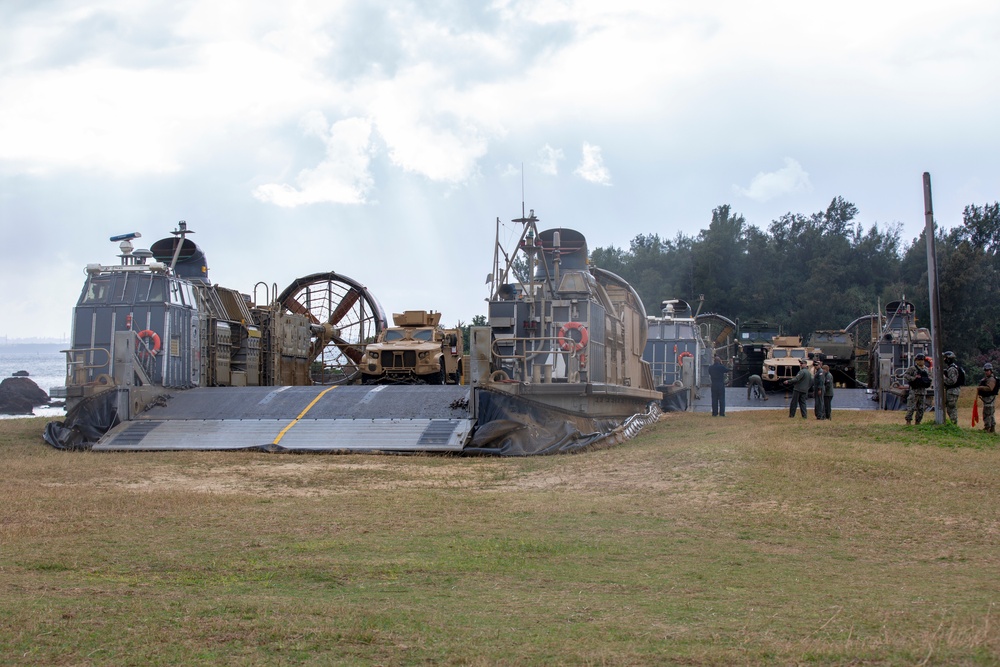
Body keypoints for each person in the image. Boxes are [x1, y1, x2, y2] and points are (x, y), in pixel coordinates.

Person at [903, 353, 931, 425]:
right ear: (916, 361)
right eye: (919, 360)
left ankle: (918, 421)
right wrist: (913, 378)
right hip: (914, 391)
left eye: (922, 360)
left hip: (922, 391)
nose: (921, 361)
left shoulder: (926, 369)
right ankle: (908, 421)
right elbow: (906, 375)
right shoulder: (913, 368)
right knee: (911, 407)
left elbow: (930, 377)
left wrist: (927, 381)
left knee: (921, 408)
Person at [941, 351, 962, 425]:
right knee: (950, 408)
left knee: (951, 408)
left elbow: (952, 381)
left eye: (945, 358)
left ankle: (953, 424)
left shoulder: (952, 369)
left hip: (952, 391)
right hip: (952, 391)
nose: (944, 360)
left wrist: (943, 378)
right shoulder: (951, 368)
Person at [977, 363, 997, 433]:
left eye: (987, 370)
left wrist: (980, 388)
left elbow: (990, 388)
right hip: (988, 399)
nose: (986, 372)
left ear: (991, 370)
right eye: (985, 370)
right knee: (990, 414)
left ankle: (987, 428)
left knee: (987, 414)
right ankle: (992, 429)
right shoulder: (987, 378)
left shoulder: (991, 379)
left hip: (989, 399)